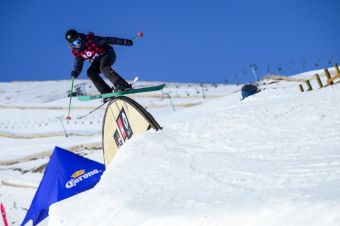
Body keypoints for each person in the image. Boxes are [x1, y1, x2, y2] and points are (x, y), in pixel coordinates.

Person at [65, 29, 133, 94]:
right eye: (74, 44)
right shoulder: (77, 52)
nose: (77, 45)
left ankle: (121, 84)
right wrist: (76, 72)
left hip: (108, 54)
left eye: (78, 41)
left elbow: (108, 40)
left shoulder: (91, 40)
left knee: (103, 67)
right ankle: (105, 90)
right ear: (71, 45)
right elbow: (78, 64)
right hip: (98, 61)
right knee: (90, 72)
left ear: (80, 38)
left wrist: (124, 41)